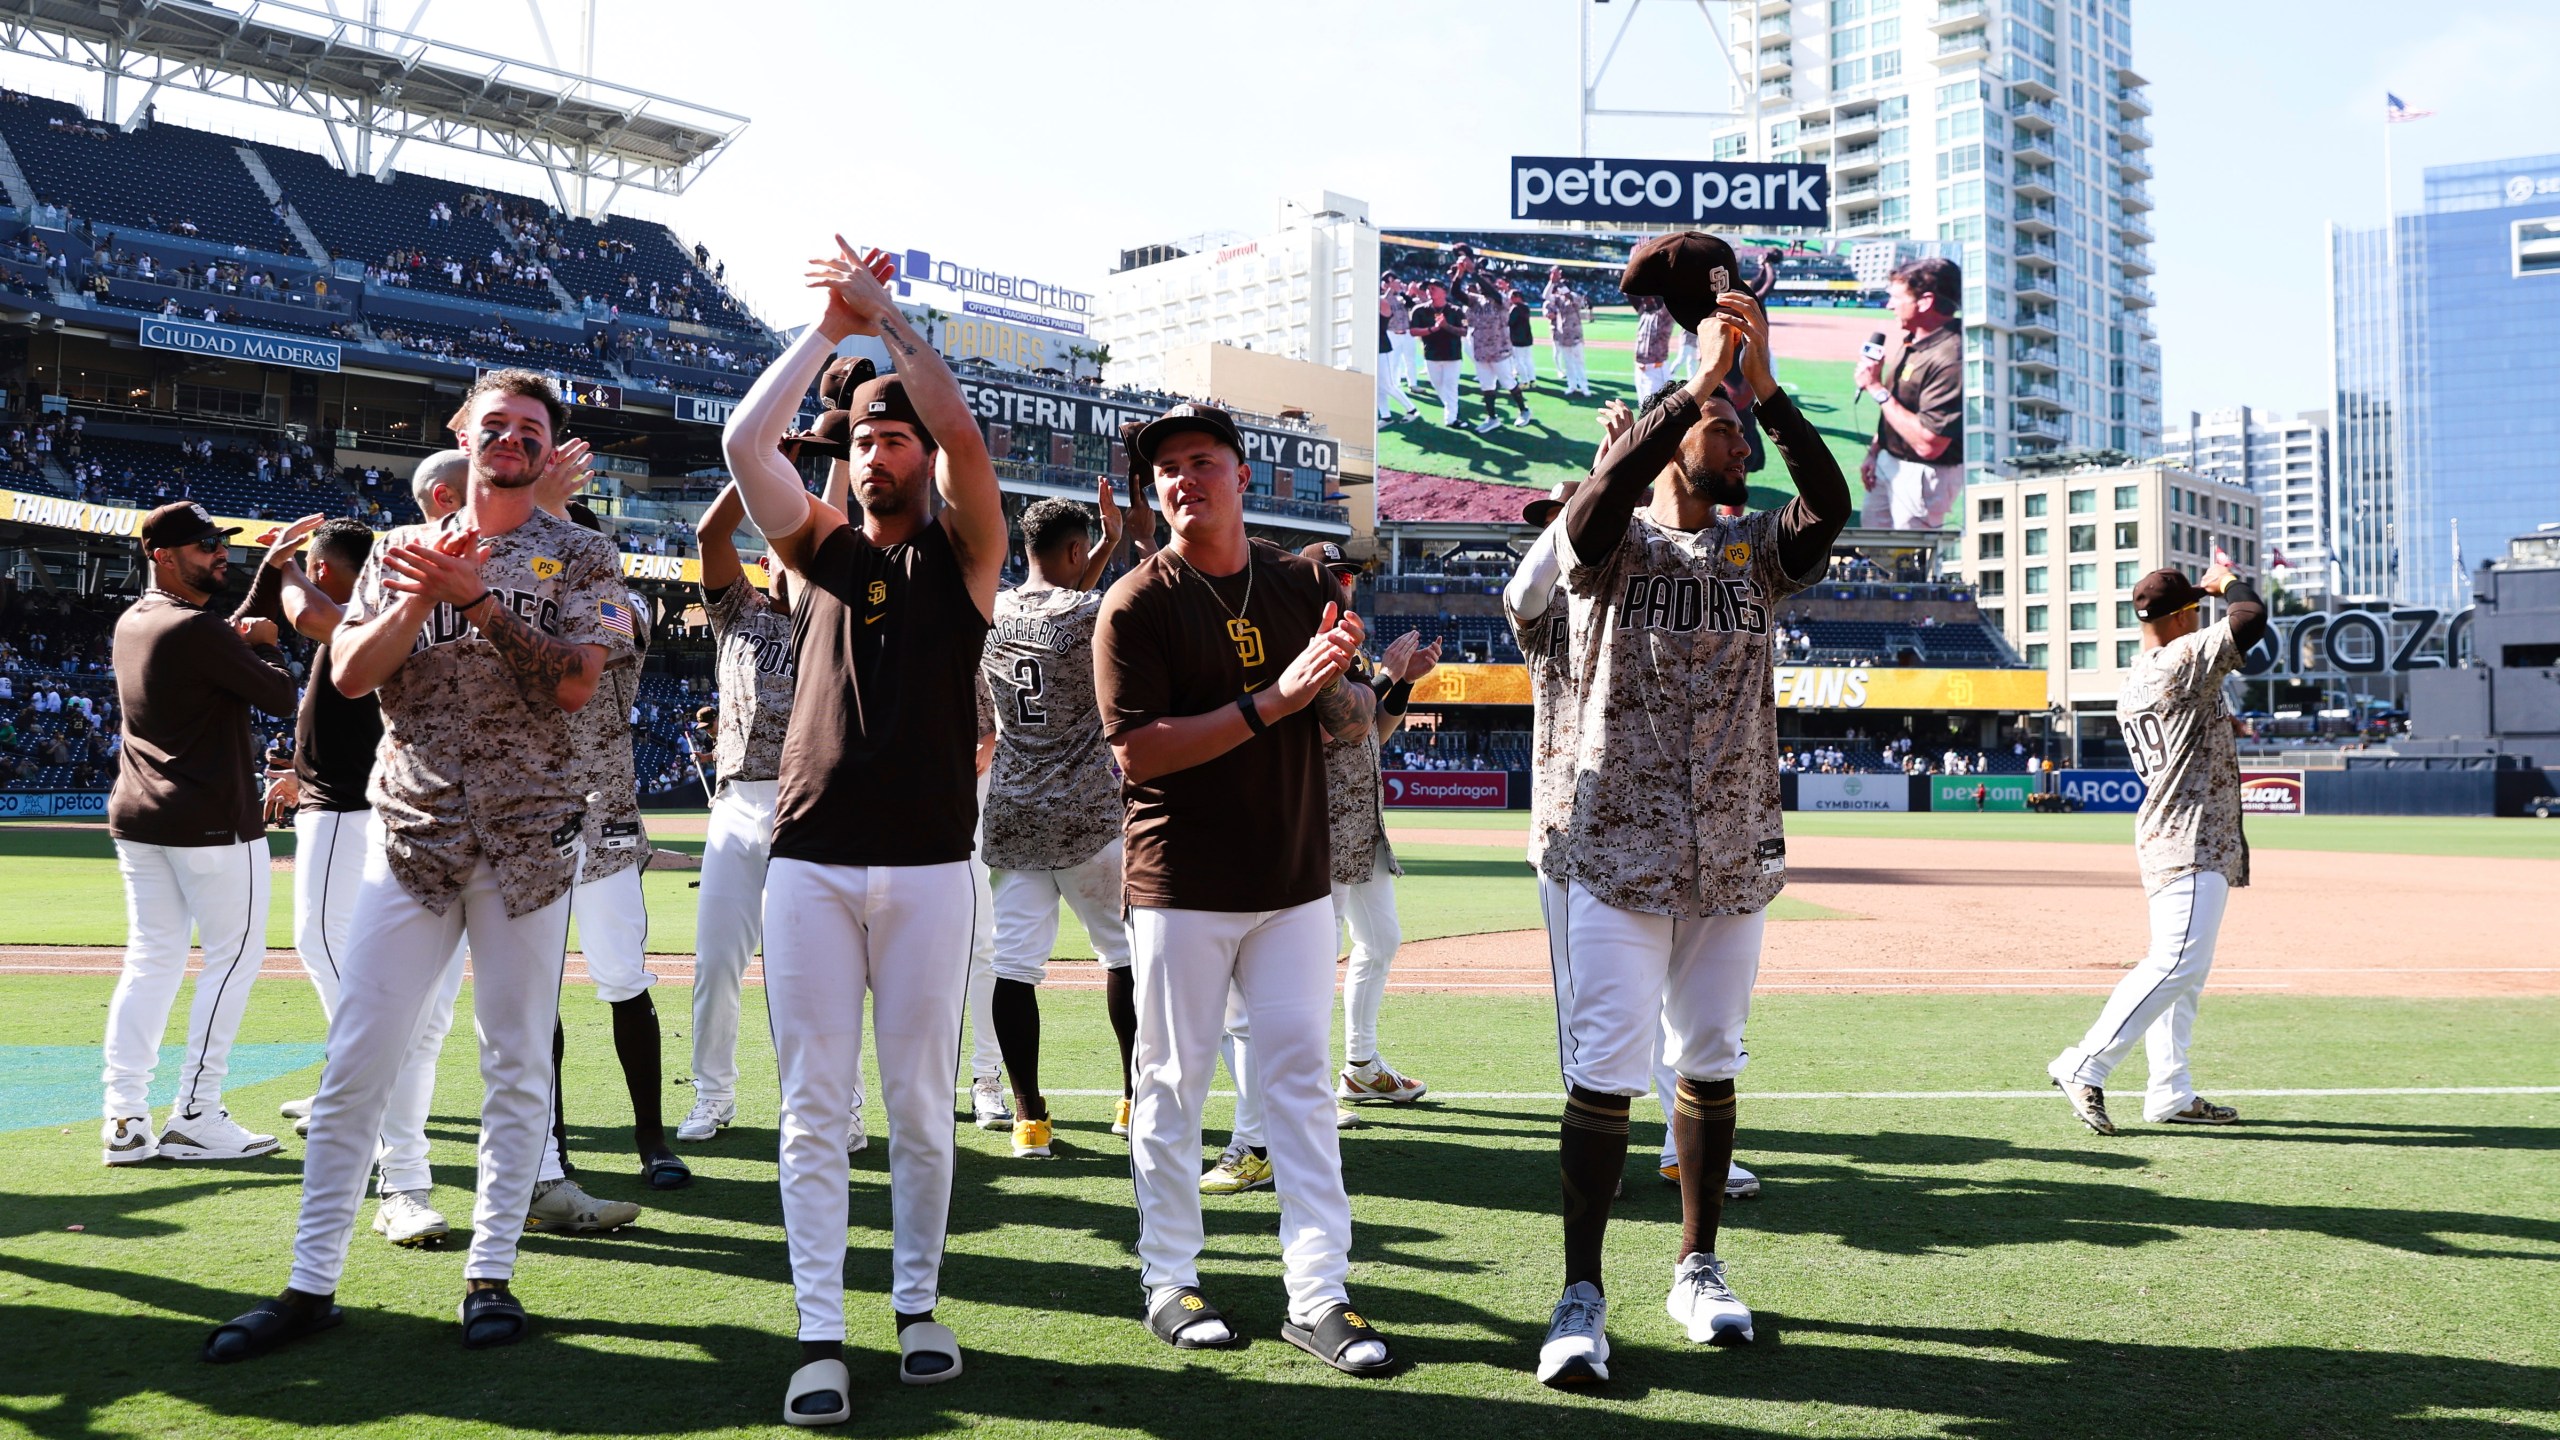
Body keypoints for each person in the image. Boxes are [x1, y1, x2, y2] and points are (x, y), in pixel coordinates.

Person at [205, 369, 635, 1360]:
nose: (513, 439)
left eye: (532, 428)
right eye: (497, 424)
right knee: (359, 1054)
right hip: (412, 832)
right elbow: (353, 673)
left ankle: (491, 1275)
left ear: (546, 445)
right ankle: (311, 1284)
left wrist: (478, 601)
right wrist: (420, 594)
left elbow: (575, 685)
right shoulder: (400, 548)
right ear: (462, 435)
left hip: (528, 837)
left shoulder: (579, 556)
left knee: (515, 1059)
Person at [1530, 243, 1849, 1386]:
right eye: (1719, 423)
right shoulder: (1611, 539)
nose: (1734, 435)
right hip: (1615, 850)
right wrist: (1691, 378)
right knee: (1603, 1074)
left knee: (1709, 1062)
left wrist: (1760, 385)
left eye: (1736, 425)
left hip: (1732, 858)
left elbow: (1835, 499)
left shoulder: (1758, 551)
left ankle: (1698, 1266)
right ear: (1672, 441)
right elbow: (1604, 495)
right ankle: (1579, 1295)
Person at [721, 240, 1005, 1418]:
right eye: (862, 440)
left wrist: (886, 321)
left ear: (923, 456)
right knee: (812, 1109)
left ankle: (919, 1304)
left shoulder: (967, 553)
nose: (877, 453)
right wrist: (826, 332)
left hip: (935, 866)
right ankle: (819, 1328)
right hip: (812, 863)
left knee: (920, 1108)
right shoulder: (822, 552)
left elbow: (973, 442)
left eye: (897, 438)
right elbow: (744, 448)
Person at [1094, 401, 1394, 1375]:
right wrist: (1276, 699)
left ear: (1241, 474)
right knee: (1170, 1086)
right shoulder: (1136, 602)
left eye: (1204, 461)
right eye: (1168, 468)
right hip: (1181, 883)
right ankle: (1170, 1280)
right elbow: (1140, 751)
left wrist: (1349, 682)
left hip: (1293, 880)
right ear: (1155, 491)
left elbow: (1343, 722)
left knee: (1302, 1091)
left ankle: (1319, 1294)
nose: (1186, 478)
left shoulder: (1294, 581)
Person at [257, 506, 464, 1246]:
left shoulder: (364, 611)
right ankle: (367, 1096)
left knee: (344, 965)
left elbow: (310, 614)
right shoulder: (405, 611)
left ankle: (386, 1138)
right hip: (372, 807)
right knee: (403, 1003)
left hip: (360, 813)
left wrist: (277, 563)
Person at [100, 501, 299, 1166]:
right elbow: (280, 697)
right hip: (211, 822)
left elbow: (213, 639)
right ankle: (194, 1113)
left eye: (221, 541)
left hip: (139, 817)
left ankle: (125, 1119)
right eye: (203, 544)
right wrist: (267, 642)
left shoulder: (136, 620)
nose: (218, 551)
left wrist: (267, 577)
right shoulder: (200, 631)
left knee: (150, 964)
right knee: (232, 962)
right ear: (162, 555)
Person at [2048, 564, 2267, 1134]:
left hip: (2183, 831)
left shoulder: (2142, 671)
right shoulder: (2179, 661)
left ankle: (2171, 1091)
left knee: (2188, 971)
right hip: (2190, 835)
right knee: (2176, 961)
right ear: (2180, 616)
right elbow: (2250, 619)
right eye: (2194, 607)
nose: (2201, 612)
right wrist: (2228, 584)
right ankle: (2084, 1064)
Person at [982, 486, 1145, 1158]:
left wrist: (1102, 541)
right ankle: (1135, 1101)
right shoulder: (1093, 608)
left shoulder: (988, 610)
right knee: (1125, 956)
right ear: (1077, 551)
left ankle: (1029, 1118)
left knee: (1014, 968)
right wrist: (1130, 529)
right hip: (1088, 817)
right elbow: (1106, 606)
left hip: (1015, 816)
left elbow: (1053, 605)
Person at [550, 492, 688, 1191]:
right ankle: (550, 1150)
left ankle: (652, 1141)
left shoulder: (616, 604)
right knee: (532, 998)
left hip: (603, 820)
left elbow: (582, 664)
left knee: (623, 983)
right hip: (527, 818)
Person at [676, 482, 799, 1147]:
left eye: (797, 551)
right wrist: (757, 473)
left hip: (805, 804)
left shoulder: (832, 616)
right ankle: (712, 1096)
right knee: (717, 963)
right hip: (734, 803)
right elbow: (709, 537)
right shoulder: (738, 613)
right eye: (777, 551)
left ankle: (830, 1108)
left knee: (802, 970)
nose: (785, 563)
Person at [1855, 255, 1964, 531]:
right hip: (1890, 461)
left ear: (1925, 301)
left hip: (1924, 476)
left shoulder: (1953, 357)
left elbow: (1929, 444)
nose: (1890, 305)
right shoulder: (1914, 338)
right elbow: (1903, 404)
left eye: (1896, 298)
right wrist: (1876, 451)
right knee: (1875, 549)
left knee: (1906, 564)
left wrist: (1876, 388)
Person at [1461, 277, 1531, 433]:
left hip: (1499, 350)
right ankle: (1492, 418)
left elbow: (1493, 293)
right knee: (1486, 386)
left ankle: (1524, 410)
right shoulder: (1475, 301)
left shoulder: (1501, 299)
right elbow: (1456, 293)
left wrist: (1474, 272)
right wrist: (1460, 274)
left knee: (1508, 382)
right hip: (1480, 350)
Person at [1408, 281, 1466, 427]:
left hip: (1452, 355)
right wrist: (1433, 329)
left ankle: (1451, 419)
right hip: (1431, 355)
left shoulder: (1456, 310)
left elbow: (1465, 331)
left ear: (1444, 291)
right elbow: (1413, 331)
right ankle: (1451, 409)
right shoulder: (1419, 310)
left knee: (1451, 386)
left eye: (1434, 288)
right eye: (1428, 288)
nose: (1430, 290)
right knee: (1438, 386)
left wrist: (1446, 326)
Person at [1543, 267, 1590, 397]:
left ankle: (1584, 386)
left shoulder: (1575, 297)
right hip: (1563, 336)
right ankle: (1572, 385)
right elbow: (1545, 296)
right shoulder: (1558, 300)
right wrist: (1551, 282)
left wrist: (1559, 283)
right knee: (1568, 363)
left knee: (1579, 363)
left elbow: (1570, 296)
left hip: (1576, 336)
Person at [1375, 293, 1419, 426]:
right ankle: (1386, 416)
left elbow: (1385, 305)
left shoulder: (1381, 304)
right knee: (1377, 386)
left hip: (1382, 349)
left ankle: (1412, 410)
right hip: (1371, 350)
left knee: (1388, 384)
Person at [1631, 295, 1674, 406]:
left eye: (1647, 298)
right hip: (1640, 370)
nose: (1644, 300)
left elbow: (1662, 300)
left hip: (1656, 371)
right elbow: (1630, 295)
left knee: (1655, 409)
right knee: (1643, 407)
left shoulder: (1664, 315)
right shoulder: (1644, 313)